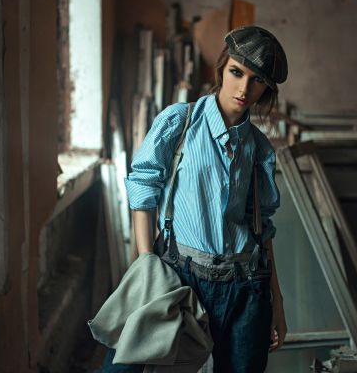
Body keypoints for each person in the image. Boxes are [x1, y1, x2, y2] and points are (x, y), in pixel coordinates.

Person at [103, 25, 288, 373]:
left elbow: (264, 229)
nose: (244, 88)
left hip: (245, 286)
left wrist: (277, 302)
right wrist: (147, 263)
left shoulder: (259, 148)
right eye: (237, 72)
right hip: (179, 274)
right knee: (124, 368)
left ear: (266, 88)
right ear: (221, 69)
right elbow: (143, 188)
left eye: (257, 79)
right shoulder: (180, 122)